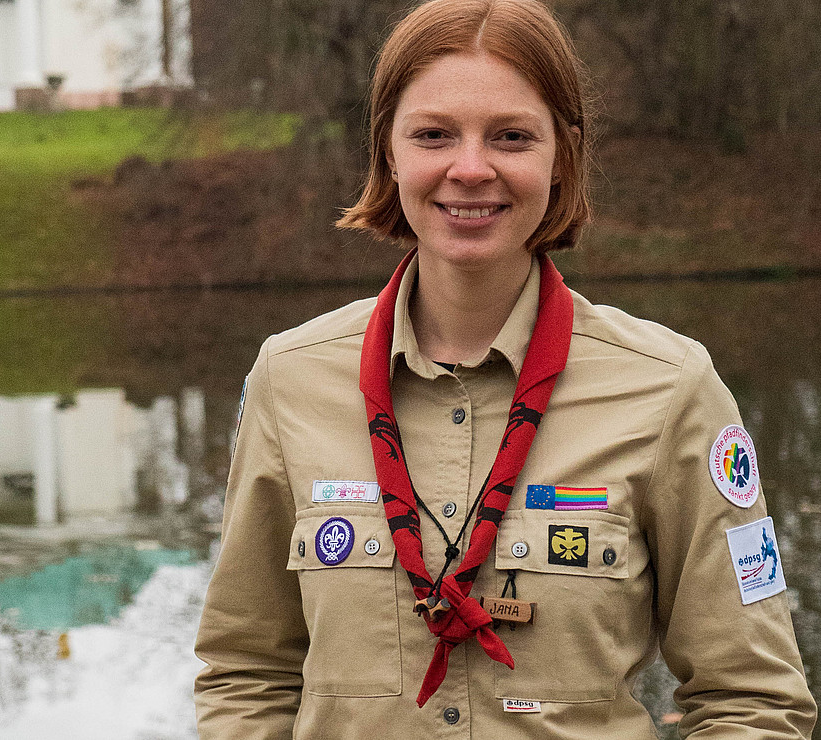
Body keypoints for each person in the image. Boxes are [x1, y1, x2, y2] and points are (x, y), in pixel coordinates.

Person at [193, 0, 817, 737]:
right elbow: (246, 675)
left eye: (512, 137)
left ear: (563, 157)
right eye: (433, 135)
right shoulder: (290, 379)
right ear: (388, 151)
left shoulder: (670, 389)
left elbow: (753, 699)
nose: (470, 168)